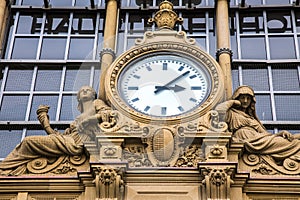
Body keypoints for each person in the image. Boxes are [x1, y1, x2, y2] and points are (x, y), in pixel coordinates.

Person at [0, 86, 111, 176]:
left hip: (77, 143)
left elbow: (107, 114)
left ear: (93, 95)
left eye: (88, 90)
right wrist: (45, 124)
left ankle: (5, 168)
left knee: (28, 141)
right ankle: (8, 168)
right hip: (69, 141)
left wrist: (88, 120)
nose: (85, 91)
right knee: (28, 142)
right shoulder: (78, 119)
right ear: (79, 98)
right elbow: (61, 136)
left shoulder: (96, 103)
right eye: (82, 90)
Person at [216, 85, 300, 164]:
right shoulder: (232, 113)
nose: (245, 101)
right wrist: (233, 102)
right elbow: (219, 111)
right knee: (294, 144)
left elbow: (265, 134)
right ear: (237, 98)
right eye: (242, 98)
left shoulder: (253, 119)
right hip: (246, 138)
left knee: (292, 141)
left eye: (248, 98)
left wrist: (280, 134)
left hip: (259, 139)